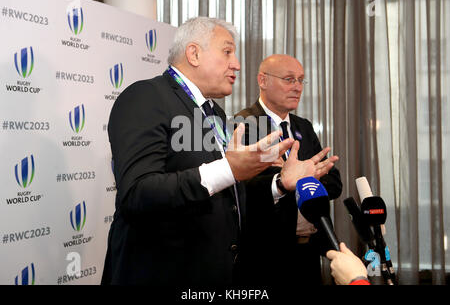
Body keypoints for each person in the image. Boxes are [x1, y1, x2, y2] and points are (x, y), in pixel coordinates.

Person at [101, 17, 337, 286]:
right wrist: (229, 169)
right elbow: (137, 193)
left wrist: (280, 184)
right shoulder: (146, 96)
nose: (236, 63)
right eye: (227, 51)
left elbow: (230, 197)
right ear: (194, 53)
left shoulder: (214, 113)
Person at [235, 54, 342, 286]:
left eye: (301, 80)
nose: (297, 87)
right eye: (289, 79)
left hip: (310, 249)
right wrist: (285, 180)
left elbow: (334, 183)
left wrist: (303, 178)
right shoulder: (244, 125)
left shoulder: (303, 126)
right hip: (267, 254)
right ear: (263, 81)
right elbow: (244, 191)